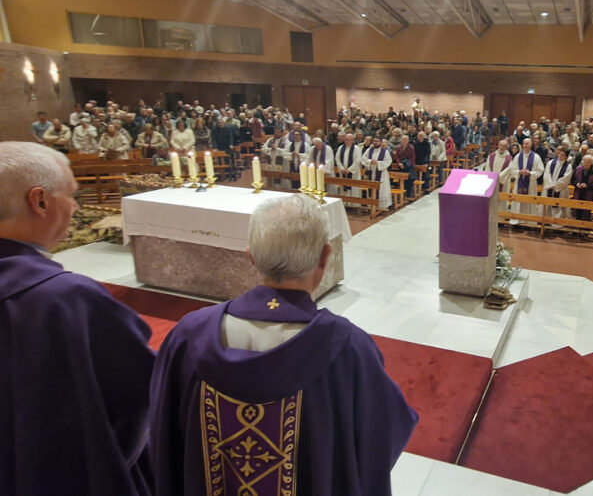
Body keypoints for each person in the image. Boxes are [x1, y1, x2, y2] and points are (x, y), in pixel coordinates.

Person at [149, 194, 417, 495]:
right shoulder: (347, 348)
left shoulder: (188, 336)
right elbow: (382, 435)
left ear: (251, 257)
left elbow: (161, 435)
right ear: (325, 256)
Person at [0, 142, 154, 495]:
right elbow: (137, 394)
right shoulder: (64, 299)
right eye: (71, 195)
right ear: (39, 201)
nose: (75, 207)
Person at [504, 138, 545, 223]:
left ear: (531, 145)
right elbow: (512, 169)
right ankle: (517, 219)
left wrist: (530, 173)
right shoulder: (518, 156)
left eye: (527, 144)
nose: (525, 145)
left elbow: (540, 170)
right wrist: (519, 172)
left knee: (529, 201)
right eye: (524, 144)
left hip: (530, 184)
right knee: (518, 200)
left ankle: (529, 221)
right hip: (519, 182)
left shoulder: (536, 157)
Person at [541, 146, 573, 222]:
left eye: (563, 155)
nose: (560, 156)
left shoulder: (568, 166)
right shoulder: (550, 162)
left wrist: (555, 186)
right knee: (547, 205)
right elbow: (546, 174)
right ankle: (546, 221)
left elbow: (565, 179)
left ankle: (557, 224)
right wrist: (550, 184)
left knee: (559, 207)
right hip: (549, 189)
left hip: (560, 190)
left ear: (566, 157)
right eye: (560, 154)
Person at [361, 136, 393, 211]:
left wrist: (377, 163)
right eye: (374, 141)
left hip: (381, 175)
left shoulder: (385, 151)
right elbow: (363, 159)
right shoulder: (369, 150)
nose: (376, 142)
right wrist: (369, 161)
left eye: (377, 141)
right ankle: (371, 205)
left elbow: (388, 161)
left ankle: (381, 206)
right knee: (371, 189)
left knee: (381, 190)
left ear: (381, 142)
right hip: (371, 173)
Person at [571, 153, 593, 221]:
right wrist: (577, 184)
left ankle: (585, 225)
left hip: (589, 194)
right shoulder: (578, 169)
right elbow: (572, 180)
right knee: (577, 211)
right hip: (578, 193)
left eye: (588, 162)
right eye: (584, 161)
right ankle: (576, 225)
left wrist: (588, 186)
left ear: (592, 162)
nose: (586, 163)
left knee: (586, 212)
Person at [335, 133, 363, 203]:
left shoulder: (356, 149)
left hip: (353, 174)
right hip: (343, 172)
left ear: (353, 140)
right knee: (343, 188)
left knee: (354, 188)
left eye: (349, 140)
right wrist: (342, 168)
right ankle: (345, 202)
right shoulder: (341, 148)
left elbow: (357, 161)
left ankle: (354, 204)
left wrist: (349, 170)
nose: (347, 141)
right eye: (346, 140)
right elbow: (337, 158)